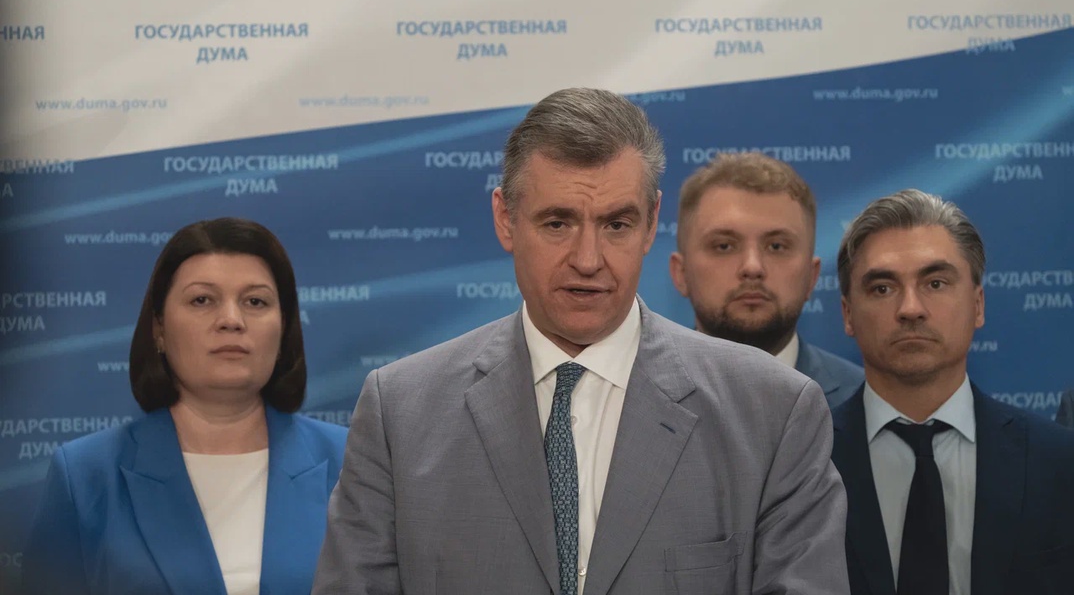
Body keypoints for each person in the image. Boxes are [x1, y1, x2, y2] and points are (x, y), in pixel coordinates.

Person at [313, 88, 849, 594]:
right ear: (505, 219)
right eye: (557, 223)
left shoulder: (772, 413)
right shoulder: (399, 413)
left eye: (616, 224)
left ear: (651, 224)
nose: (588, 260)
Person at [22, 218, 348, 595]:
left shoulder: (352, 463)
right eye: (202, 300)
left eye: (255, 301)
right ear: (159, 329)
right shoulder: (85, 476)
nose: (231, 320)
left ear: (284, 328)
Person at [831, 189, 1074, 595]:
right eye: (882, 288)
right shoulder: (806, 462)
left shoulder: (1059, 462)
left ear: (978, 305)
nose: (911, 308)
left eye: (936, 283)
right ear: (847, 314)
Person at [670, 152, 863, 407]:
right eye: (724, 246)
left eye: (776, 246)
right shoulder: (636, 398)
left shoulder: (861, 402)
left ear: (812, 276)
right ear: (681, 273)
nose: (753, 267)